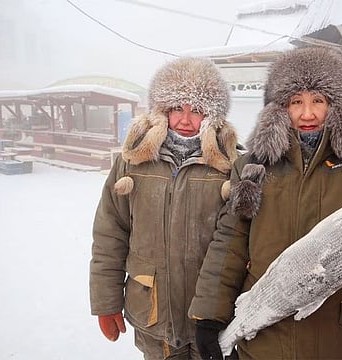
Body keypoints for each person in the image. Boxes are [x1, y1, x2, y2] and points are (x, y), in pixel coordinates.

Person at [189, 47, 342, 360]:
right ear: (280, 108)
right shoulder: (254, 168)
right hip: (267, 337)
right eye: (296, 102)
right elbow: (231, 242)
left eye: (318, 101)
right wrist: (210, 315)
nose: (307, 114)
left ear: (338, 106)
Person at [89, 57, 239, 359]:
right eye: (176, 109)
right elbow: (110, 234)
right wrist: (106, 302)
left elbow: (243, 245)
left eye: (196, 110)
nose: (185, 120)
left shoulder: (231, 166)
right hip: (152, 315)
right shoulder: (132, 162)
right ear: (161, 111)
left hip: (212, 319)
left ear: (212, 116)